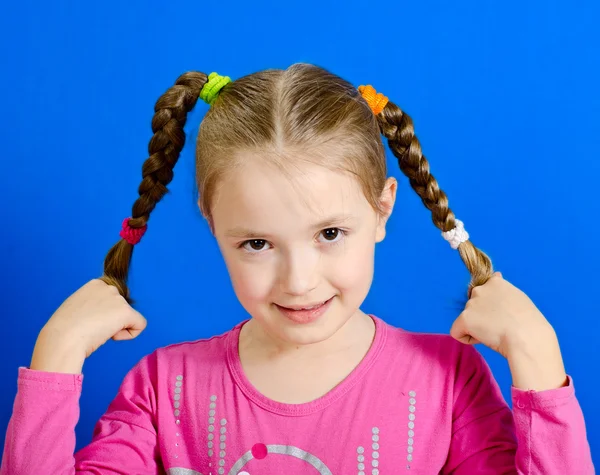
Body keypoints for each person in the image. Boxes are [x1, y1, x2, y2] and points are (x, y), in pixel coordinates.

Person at [0, 64, 593, 474]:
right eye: (257, 243)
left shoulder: (449, 384)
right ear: (212, 224)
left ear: (382, 209)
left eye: (330, 234)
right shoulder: (164, 391)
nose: (298, 280)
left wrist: (538, 358)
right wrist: (56, 356)